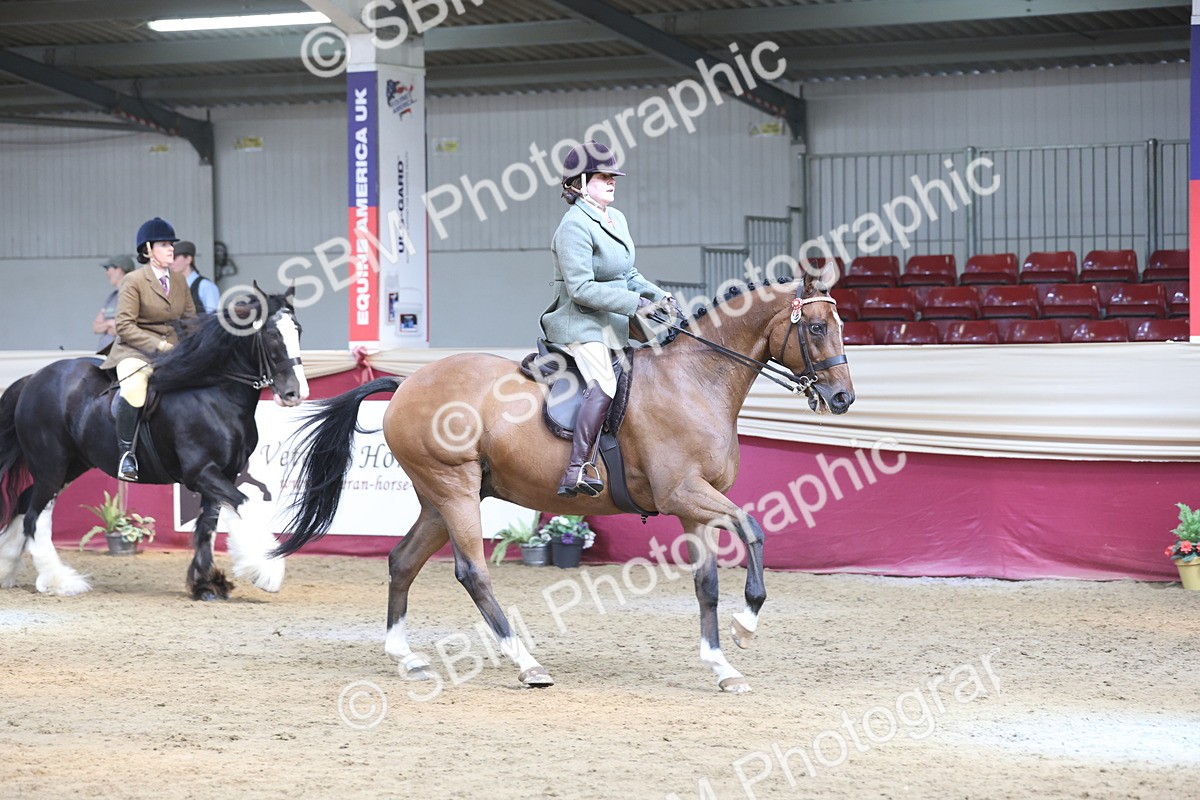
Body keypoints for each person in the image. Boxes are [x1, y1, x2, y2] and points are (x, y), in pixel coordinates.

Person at [540, 140, 675, 499]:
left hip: (612, 323)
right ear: (580, 183)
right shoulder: (573, 226)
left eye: (612, 176)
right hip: (579, 322)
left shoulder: (616, 219)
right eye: (602, 177)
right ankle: (578, 467)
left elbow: (628, 273)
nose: (611, 182)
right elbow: (581, 288)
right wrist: (634, 304)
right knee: (606, 383)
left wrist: (657, 295)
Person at [100, 217, 196, 481]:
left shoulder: (178, 281)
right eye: (164, 245)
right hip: (135, 350)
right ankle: (126, 456)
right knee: (134, 387)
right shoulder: (134, 280)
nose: (170, 250)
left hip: (173, 352)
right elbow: (124, 325)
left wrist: (199, 348)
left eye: (171, 245)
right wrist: (159, 345)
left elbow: (189, 321)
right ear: (147, 250)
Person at [92, 254, 136, 350]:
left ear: (119, 270)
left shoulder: (135, 295)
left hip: (124, 355)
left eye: (108, 268)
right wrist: (109, 323)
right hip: (104, 354)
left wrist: (117, 328)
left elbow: (131, 329)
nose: (107, 273)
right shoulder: (112, 297)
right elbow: (95, 327)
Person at [171, 240, 220, 314]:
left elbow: (213, 319)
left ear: (188, 259)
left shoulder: (205, 286)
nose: (170, 263)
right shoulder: (171, 287)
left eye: (174, 258)